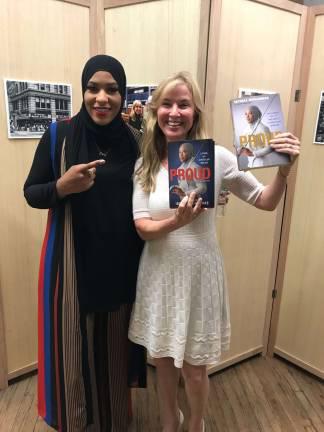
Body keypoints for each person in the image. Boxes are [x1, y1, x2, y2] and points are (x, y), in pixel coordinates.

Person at [128, 71, 300, 432]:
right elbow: (143, 227)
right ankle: (167, 424)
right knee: (162, 362)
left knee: (194, 369)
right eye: (167, 104)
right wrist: (177, 221)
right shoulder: (144, 163)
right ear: (156, 110)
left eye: (184, 104)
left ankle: (194, 425)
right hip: (160, 274)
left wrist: (283, 173)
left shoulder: (219, 158)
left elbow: (265, 202)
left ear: (195, 112)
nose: (174, 112)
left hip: (200, 275)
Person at [24, 55, 146, 432]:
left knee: (112, 351)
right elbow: (31, 192)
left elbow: (157, 194)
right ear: (83, 90)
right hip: (71, 262)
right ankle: (74, 420)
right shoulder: (58, 135)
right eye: (93, 88)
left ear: (123, 95)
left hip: (119, 264)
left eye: (112, 89)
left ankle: (113, 420)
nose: (101, 98)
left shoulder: (136, 141)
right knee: (70, 353)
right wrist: (61, 187)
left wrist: (202, 198)